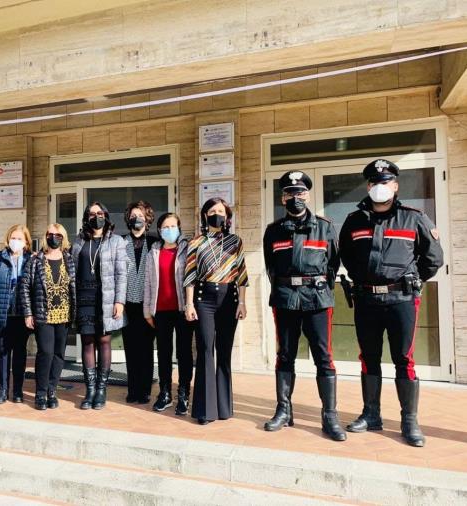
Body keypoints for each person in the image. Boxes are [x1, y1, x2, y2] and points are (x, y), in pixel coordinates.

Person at [339, 159, 443, 447]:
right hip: (367, 299)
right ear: (368, 186)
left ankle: (409, 421)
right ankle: (371, 414)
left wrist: (411, 279)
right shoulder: (354, 220)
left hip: (402, 299)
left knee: (403, 359)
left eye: (384, 182)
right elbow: (346, 255)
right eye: (373, 182)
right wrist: (362, 277)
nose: (378, 187)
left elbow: (434, 258)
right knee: (368, 357)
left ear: (395, 185)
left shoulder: (414, 218)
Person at [262, 171, 346, 441]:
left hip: (317, 300)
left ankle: (330, 415)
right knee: (285, 354)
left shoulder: (325, 227)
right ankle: (284, 410)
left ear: (307, 195)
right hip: (286, 298)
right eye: (289, 193)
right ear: (282, 197)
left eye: (299, 193)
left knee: (323, 356)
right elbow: (270, 267)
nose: (295, 198)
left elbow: (332, 264)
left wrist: (317, 285)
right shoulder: (273, 231)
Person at [184, 198, 248, 425]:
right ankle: (204, 410)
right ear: (204, 215)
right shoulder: (196, 242)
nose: (216, 214)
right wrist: (189, 304)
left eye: (221, 211)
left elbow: (242, 275)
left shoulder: (235, 241)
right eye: (212, 211)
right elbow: (190, 275)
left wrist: (242, 302)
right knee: (204, 350)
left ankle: (223, 407)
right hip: (204, 299)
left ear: (227, 216)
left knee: (224, 351)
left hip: (229, 299)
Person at [71, 202, 127, 410]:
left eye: (100, 213)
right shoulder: (79, 241)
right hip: (83, 297)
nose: (97, 217)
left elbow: (122, 274)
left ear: (106, 215)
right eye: (92, 214)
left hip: (106, 297)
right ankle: (90, 389)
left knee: (104, 341)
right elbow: (72, 270)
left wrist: (119, 300)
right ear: (86, 217)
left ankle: (102, 389)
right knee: (87, 342)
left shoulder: (116, 241)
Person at [21, 224, 76, 410]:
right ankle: (41, 392)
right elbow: (25, 287)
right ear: (46, 237)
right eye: (50, 234)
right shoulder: (36, 260)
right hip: (44, 314)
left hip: (64, 314)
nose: (54, 237)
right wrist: (28, 312)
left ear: (63, 237)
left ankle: (52, 391)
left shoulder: (69, 259)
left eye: (58, 234)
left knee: (59, 354)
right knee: (46, 353)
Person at [143, 212, 194, 414]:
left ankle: (183, 394)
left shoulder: (187, 249)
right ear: (159, 230)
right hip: (161, 311)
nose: (169, 230)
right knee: (163, 354)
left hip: (182, 310)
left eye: (173, 226)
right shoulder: (153, 252)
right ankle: (165, 393)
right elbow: (147, 283)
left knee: (184, 354)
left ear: (179, 228)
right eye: (165, 227)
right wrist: (147, 311)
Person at [0, 224, 33, 404]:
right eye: (13, 238)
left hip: (22, 314)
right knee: (3, 352)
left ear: (26, 242)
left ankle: (17, 391)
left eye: (19, 238)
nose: (15, 241)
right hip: (3, 314)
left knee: (20, 353)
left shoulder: (31, 260)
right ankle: (2, 390)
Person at [122, 201, 158, 405]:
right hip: (127, 304)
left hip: (147, 305)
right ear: (129, 219)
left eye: (142, 215)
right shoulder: (121, 242)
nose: (138, 219)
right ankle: (132, 389)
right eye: (134, 215)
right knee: (130, 348)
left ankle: (144, 390)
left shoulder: (154, 242)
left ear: (147, 219)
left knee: (146, 349)